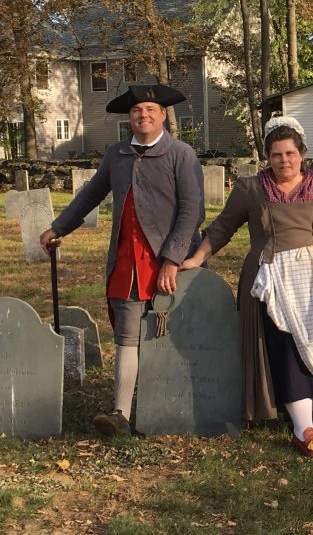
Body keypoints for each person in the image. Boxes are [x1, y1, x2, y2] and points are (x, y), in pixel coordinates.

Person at [180, 117, 313, 458]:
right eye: (277, 154)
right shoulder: (250, 191)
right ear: (267, 156)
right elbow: (222, 228)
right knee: (286, 348)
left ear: (303, 153)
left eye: (291, 153)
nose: (285, 160)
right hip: (271, 282)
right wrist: (196, 259)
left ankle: (304, 419)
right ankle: (303, 429)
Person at [39, 84, 204, 436]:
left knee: (172, 337)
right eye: (136, 111)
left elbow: (193, 211)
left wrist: (173, 259)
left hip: (169, 262)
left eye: (150, 110)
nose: (143, 116)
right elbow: (91, 194)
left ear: (162, 115)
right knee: (127, 335)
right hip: (127, 261)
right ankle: (121, 414)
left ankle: (176, 406)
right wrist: (58, 227)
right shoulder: (117, 154)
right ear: (130, 117)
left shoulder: (181, 154)